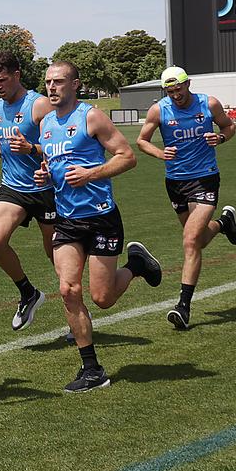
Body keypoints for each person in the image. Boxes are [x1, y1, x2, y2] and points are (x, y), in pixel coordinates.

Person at [35, 61, 163, 393]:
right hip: (66, 219)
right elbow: (55, 163)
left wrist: (90, 174)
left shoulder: (91, 117)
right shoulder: (46, 123)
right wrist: (47, 175)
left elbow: (127, 156)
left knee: (102, 298)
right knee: (68, 290)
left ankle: (136, 265)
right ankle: (91, 369)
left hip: (101, 216)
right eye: (48, 82)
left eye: (59, 81)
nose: (51, 87)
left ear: (75, 85)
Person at [135, 66, 236, 329]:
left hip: (205, 177)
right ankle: (224, 224)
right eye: (170, 91)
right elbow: (141, 141)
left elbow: (229, 127)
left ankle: (183, 306)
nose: (175, 95)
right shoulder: (159, 110)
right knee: (200, 238)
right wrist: (159, 153)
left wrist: (220, 137)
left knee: (191, 239)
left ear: (188, 84)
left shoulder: (209, 104)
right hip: (175, 182)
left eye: (178, 89)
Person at [0, 51, 57, 332]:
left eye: (3, 80)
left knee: (57, 258)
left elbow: (59, 145)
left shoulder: (40, 106)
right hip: (13, 187)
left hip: (46, 188)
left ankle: (76, 312)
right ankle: (27, 292)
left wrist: (34, 151)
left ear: (17, 75)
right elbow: (7, 140)